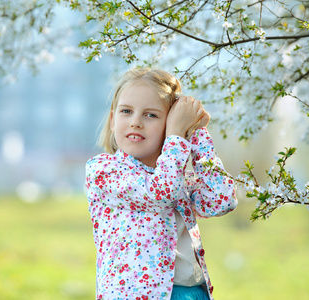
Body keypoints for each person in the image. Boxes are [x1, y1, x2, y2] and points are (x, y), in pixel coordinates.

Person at [85, 68, 237, 300]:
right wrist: (176, 137)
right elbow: (160, 194)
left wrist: (197, 134)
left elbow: (221, 201)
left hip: (192, 292)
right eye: (126, 111)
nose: (136, 122)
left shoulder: (176, 175)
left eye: (151, 115)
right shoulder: (103, 170)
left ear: (170, 125)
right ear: (113, 120)